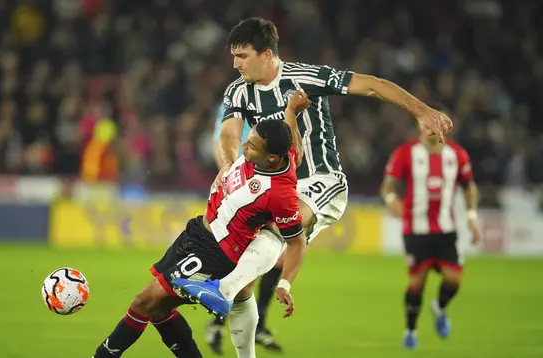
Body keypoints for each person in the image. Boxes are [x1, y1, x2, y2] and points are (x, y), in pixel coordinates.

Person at [174, 16, 455, 352]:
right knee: (247, 272)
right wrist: (226, 165)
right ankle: (237, 321)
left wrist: (421, 111)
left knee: (278, 230)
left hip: (322, 181)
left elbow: (372, 84)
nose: (235, 64)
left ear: (267, 54)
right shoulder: (238, 90)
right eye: (233, 56)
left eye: (242, 56)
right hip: (272, 185)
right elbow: (229, 133)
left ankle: (223, 288)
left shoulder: (306, 78)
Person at [91, 91, 311, 358]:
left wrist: (285, 284)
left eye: (251, 147)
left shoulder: (280, 194)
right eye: (247, 140)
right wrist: (291, 109)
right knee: (159, 310)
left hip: (216, 253)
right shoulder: (279, 150)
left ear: (272, 158)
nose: (244, 147)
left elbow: (297, 242)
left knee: (143, 303)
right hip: (197, 231)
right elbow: (294, 148)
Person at [381, 129, 480, 349]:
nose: (432, 128)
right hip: (415, 230)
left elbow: (469, 186)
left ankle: (439, 307)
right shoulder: (405, 152)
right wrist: (390, 199)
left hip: (446, 231)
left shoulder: (457, 154)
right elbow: (388, 184)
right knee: (417, 283)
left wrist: (472, 217)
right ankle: (411, 332)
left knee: (454, 280)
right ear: (420, 127)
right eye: (427, 124)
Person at [209, 103, 285, 354]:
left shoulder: (278, 106)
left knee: (271, 261)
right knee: (252, 263)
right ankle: (221, 320)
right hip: (242, 191)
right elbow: (221, 140)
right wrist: (228, 170)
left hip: (265, 184)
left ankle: (231, 321)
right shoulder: (236, 104)